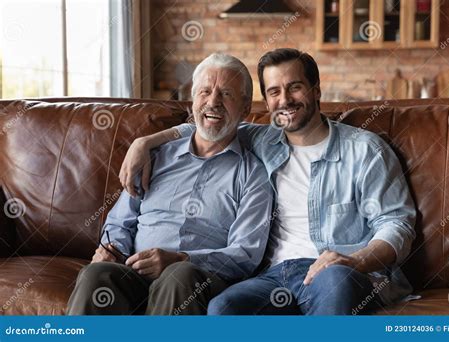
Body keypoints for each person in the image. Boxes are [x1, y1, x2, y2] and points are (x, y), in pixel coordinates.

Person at [119, 48, 416, 315]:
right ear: (265, 101)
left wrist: (357, 261)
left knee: (335, 282)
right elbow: (207, 125)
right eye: (274, 91)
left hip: (343, 272)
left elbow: (396, 224)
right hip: (275, 276)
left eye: (295, 87)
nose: (284, 100)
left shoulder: (365, 150)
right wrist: (144, 143)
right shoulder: (262, 138)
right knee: (224, 307)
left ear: (316, 91)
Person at [66, 53, 273, 315]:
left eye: (226, 94)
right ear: (193, 100)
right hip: (135, 269)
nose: (213, 102)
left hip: (196, 278)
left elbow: (245, 253)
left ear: (245, 108)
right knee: (97, 276)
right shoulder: (155, 157)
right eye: (205, 92)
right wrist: (113, 250)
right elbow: (120, 222)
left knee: (179, 275)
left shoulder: (254, 175)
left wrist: (181, 259)